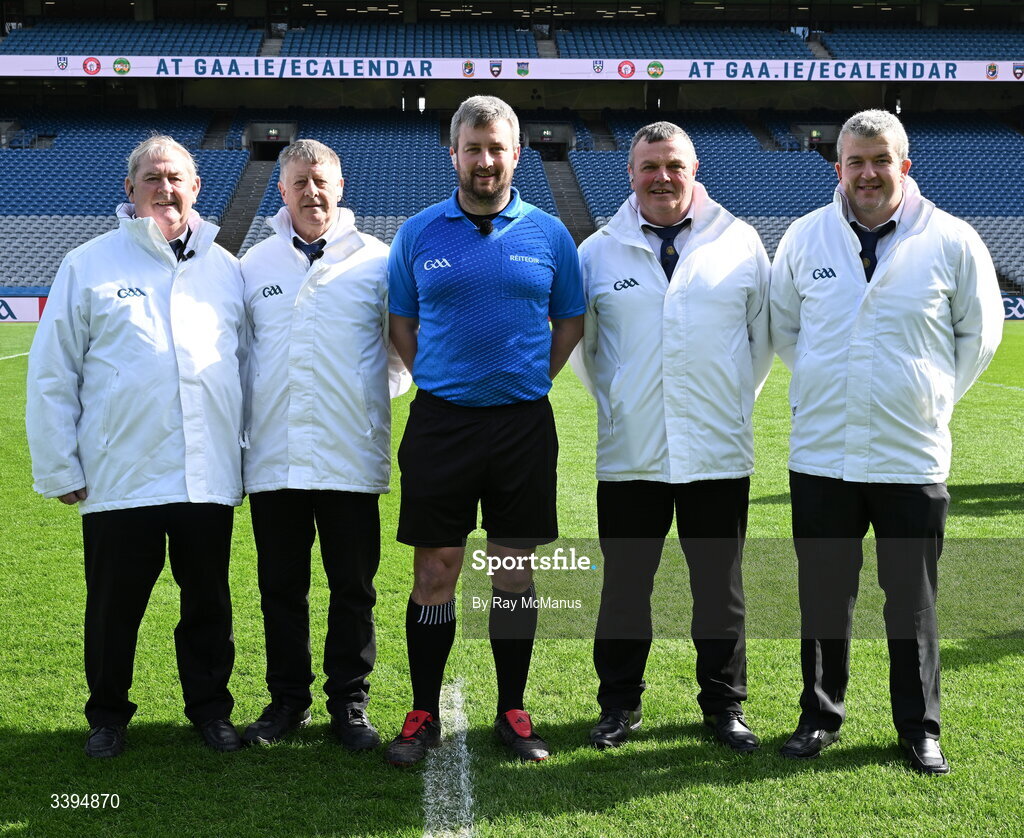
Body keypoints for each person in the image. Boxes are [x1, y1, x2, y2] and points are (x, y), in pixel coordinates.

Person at [770, 109, 1003, 775]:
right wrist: (827, 384)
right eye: (855, 161)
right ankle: (819, 716)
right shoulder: (805, 237)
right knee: (822, 594)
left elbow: (978, 338)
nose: (867, 173)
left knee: (912, 600)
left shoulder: (953, 241)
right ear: (838, 167)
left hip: (911, 453)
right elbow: (787, 331)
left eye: (880, 160)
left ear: (904, 165)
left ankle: (919, 727)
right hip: (821, 451)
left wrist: (926, 396)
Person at [26, 135, 247, 758]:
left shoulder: (225, 268)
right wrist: (58, 465)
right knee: (114, 609)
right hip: (119, 473)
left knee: (208, 605)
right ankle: (107, 717)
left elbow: (248, 369)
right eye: (151, 177)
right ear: (130, 190)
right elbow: (51, 372)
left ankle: (210, 711)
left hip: (205, 476)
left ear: (196, 188)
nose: (165, 187)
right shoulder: (88, 263)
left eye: (176, 177)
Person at [385, 95, 584, 766]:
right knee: (435, 569)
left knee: (513, 570)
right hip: (441, 424)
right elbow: (402, 326)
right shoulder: (417, 233)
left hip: (523, 425)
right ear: (454, 154)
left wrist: (527, 381)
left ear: (515, 153)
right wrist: (443, 383)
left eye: (496, 148)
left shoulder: (551, 235)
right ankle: (420, 709)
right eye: (473, 148)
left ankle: (512, 709)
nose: (484, 160)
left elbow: (569, 323)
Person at [570, 121, 772, 753]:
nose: (662, 177)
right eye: (649, 166)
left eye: (673, 165)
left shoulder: (741, 243)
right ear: (630, 174)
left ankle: (724, 706)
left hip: (716, 449)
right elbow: (588, 353)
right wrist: (621, 401)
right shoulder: (598, 250)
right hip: (633, 453)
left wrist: (733, 403)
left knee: (720, 586)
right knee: (626, 584)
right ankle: (619, 705)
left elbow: (760, 341)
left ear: (694, 169)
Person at [238, 139, 409, 750]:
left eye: (321, 181)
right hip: (275, 457)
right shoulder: (253, 265)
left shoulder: (379, 261)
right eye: (298, 182)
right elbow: (242, 356)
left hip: (349, 454)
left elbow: (399, 354)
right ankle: (287, 700)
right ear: (280, 191)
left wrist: (362, 404)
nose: (311, 192)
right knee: (281, 586)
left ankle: (349, 703)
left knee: (352, 586)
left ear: (340, 188)